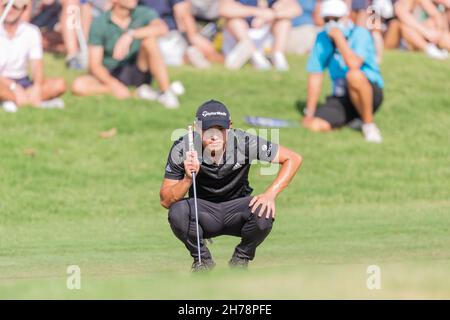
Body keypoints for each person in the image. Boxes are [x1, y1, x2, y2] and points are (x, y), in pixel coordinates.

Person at [160, 100, 302, 271]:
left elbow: (293, 158)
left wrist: (270, 194)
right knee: (178, 211)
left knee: (263, 210)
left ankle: (241, 258)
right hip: (203, 213)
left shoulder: (243, 141)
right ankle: (202, 261)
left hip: (238, 211)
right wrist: (187, 180)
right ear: (197, 129)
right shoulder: (183, 147)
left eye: (220, 129)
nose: (214, 136)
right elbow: (166, 200)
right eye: (208, 130)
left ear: (230, 127)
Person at [71, 0, 181, 109]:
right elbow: (95, 65)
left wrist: (130, 35)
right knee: (78, 85)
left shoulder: (143, 13)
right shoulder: (100, 23)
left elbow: (162, 29)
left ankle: (166, 92)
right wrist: (114, 85)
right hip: (112, 72)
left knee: (149, 41)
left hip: (138, 69)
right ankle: (137, 92)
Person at [302, 0, 384, 143]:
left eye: (336, 19)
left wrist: (339, 39)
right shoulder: (322, 38)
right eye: (327, 20)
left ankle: (369, 125)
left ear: (346, 17)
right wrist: (309, 112)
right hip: (342, 95)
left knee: (354, 76)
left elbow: (353, 64)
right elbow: (315, 74)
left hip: (368, 90)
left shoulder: (360, 33)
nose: (331, 23)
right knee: (315, 125)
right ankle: (352, 120)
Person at [0, 0, 67, 113]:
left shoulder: (31, 31)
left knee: (59, 85)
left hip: (23, 81)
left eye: (15, 7)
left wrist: (37, 86)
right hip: (3, 81)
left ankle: (13, 101)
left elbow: (37, 65)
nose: (10, 10)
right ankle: (37, 102)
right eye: (6, 6)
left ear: (24, 9)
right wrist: (13, 87)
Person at [219, 0, 302, 71]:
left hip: (265, 34)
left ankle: (278, 56)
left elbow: (296, 9)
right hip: (242, 37)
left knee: (284, 22)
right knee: (234, 21)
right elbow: (224, 9)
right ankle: (255, 57)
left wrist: (272, 14)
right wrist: (257, 12)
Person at [139, 0, 224, 68]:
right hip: (163, 36)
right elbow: (183, 12)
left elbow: (182, 12)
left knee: (205, 51)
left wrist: (193, 37)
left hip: (165, 37)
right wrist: (193, 36)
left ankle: (191, 55)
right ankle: (190, 56)